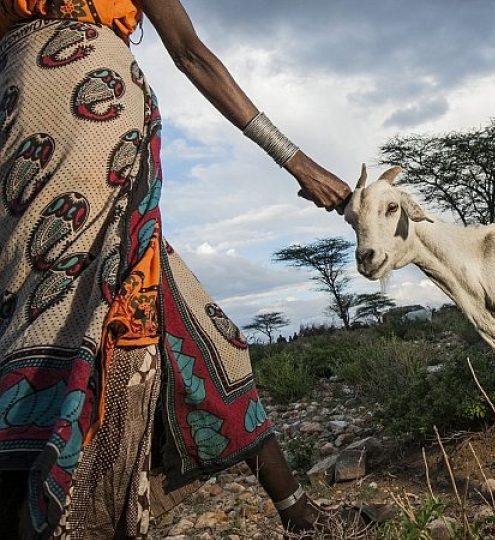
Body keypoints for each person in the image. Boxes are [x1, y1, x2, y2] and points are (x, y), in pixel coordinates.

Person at [0, 1, 350, 538]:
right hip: (85, 123)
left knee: (89, 313)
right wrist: (296, 160)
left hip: (25, 122)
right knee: (76, 317)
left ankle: (300, 514)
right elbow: (190, 54)